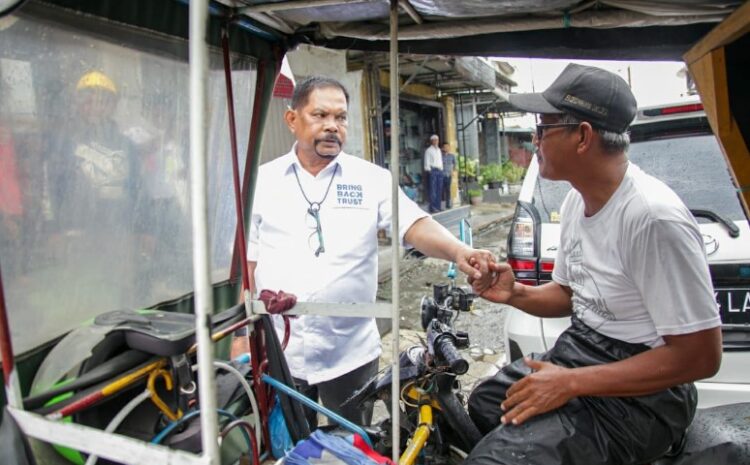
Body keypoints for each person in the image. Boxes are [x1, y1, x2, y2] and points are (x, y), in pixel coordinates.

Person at [465, 64, 722, 465]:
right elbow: (570, 294)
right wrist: (515, 293)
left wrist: (570, 384)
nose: (535, 141)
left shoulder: (652, 218)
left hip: (644, 398)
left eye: (543, 129)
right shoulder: (575, 201)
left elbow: (700, 357)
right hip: (583, 350)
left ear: (583, 136)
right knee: (483, 404)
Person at [234, 76, 495, 428]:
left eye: (340, 117)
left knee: (355, 444)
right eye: (320, 115)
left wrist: (459, 251)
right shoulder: (261, 182)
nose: (332, 126)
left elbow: (413, 225)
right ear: (292, 119)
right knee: (287, 447)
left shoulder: (369, 179)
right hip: (281, 352)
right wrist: (240, 338)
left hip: (350, 353)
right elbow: (247, 264)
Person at [424, 134, 443, 213]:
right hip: (433, 170)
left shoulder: (438, 150)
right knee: (433, 190)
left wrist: (441, 168)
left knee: (439, 189)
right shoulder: (429, 150)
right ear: (431, 141)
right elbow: (426, 162)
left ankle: (438, 206)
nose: (436, 141)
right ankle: (433, 207)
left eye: (437, 140)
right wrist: (429, 170)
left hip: (439, 170)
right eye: (434, 140)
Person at [440, 143, 456, 209]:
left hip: (448, 175)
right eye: (445, 147)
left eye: (448, 147)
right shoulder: (440, 156)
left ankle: (448, 204)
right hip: (442, 175)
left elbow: (455, 164)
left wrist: (452, 171)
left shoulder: (452, 156)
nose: (446, 148)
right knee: (441, 190)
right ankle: (441, 205)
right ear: (443, 148)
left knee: (448, 190)